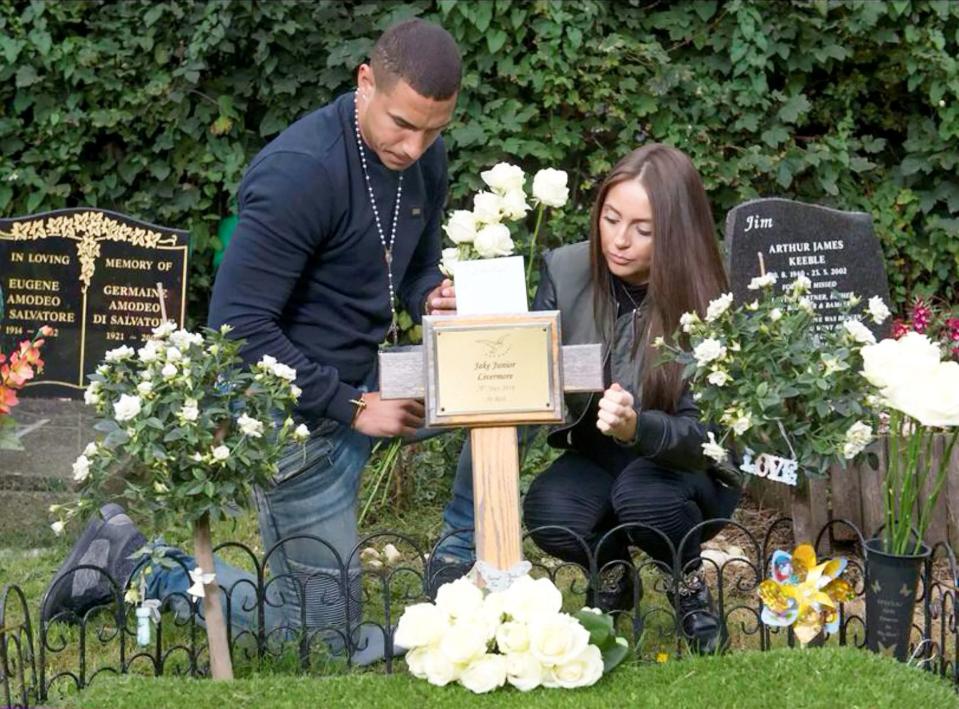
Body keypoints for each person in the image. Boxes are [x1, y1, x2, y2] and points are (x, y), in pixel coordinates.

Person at [42, 18, 463, 665]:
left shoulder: (422, 154)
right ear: (364, 83)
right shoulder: (301, 172)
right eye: (402, 125)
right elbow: (237, 329)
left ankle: (459, 565)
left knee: (527, 392)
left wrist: (428, 291)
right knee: (323, 646)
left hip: (374, 382)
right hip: (292, 419)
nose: (415, 146)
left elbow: (409, 263)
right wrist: (350, 405)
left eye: (433, 129)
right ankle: (134, 558)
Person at [439, 144, 742, 653]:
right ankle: (613, 570)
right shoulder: (566, 270)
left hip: (683, 468)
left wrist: (637, 427)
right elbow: (526, 373)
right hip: (600, 455)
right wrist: (471, 326)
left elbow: (710, 437)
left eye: (643, 230)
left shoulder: (710, 299)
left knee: (644, 498)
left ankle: (686, 584)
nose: (619, 241)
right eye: (611, 218)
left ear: (676, 231)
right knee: (550, 510)